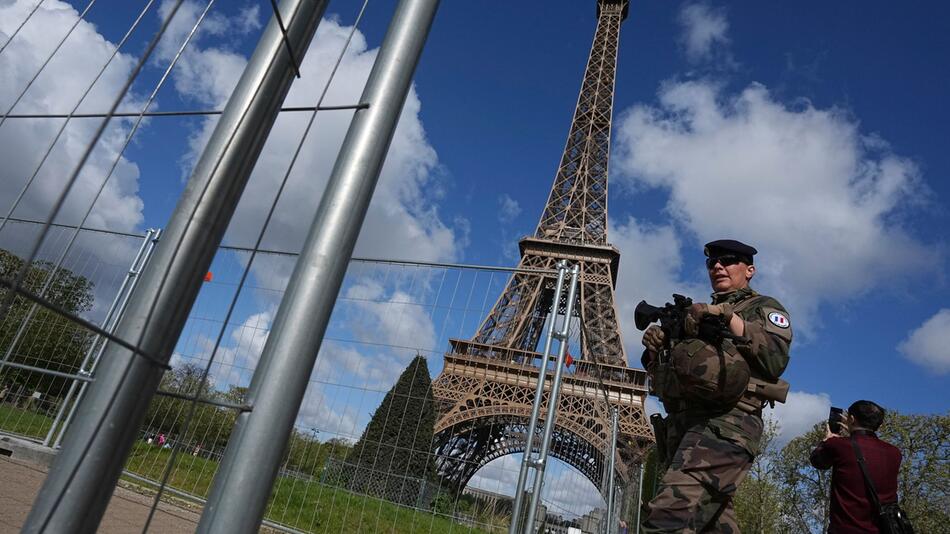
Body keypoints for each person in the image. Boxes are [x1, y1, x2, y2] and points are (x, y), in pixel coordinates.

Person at [640, 239, 793, 533]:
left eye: (729, 260)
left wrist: (728, 316)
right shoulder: (695, 315)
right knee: (713, 526)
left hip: (726, 425)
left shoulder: (763, 307)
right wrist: (657, 347)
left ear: (750, 270)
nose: (718, 266)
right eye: (712, 262)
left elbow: (775, 359)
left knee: (666, 520)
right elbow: (671, 373)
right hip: (685, 427)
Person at [810, 400, 902, 533]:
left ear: (851, 419)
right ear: (879, 425)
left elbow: (817, 461)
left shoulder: (838, 445)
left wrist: (826, 441)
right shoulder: (894, 453)